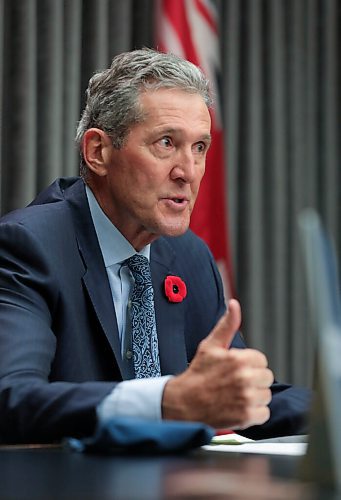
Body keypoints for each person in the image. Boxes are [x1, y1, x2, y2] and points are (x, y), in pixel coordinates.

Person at [0, 48, 310, 444]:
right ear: (98, 152)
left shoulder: (188, 256)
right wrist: (166, 402)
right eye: (167, 143)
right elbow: (12, 399)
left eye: (199, 148)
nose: (188, 173)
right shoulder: (28, 246)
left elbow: (235, 400)